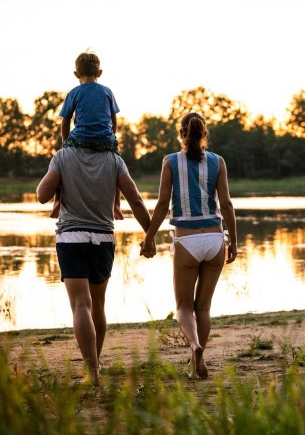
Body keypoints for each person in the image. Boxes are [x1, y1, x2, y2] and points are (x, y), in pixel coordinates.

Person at [36, 142, 152, 387]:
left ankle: (92, 372)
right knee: (97, 305)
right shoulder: (114, 160)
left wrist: (59, 180)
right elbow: (137, 200)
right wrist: (149, 236)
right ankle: (96, 364)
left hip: (71, 238)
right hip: (102, 239)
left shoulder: (62, 156)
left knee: (81, 305)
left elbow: (41, 195)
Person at [141, 112, 237, 380]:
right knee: (203, 308)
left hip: (187, 241)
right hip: (216, 239)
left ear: (181, 134)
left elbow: (162, 205)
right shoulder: (219, 162)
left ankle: (195, 347)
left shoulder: (170, 162)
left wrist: (149, 237)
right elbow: (227, 204)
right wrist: (234, 242)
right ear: (204, 133)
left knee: (183, 306)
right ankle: (197, 362)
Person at [50, 51, 124, 220]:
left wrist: (65, 144)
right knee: (117, 164)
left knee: (61, 162)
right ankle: (116, 206)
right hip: (105, 139)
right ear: (99, 73)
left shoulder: (74, 93)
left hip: (80, 139)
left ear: (77, 74)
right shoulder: (107, 92)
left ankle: (57, 202)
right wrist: (110, 137)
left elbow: (65, 121)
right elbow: (114, 119)